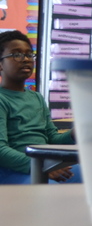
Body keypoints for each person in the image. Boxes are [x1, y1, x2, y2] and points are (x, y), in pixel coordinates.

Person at [0, 30, 78, 184]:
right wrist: (41, 166)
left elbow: (52, 140)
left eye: (29, 54)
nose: (26, 59)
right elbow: (1, 150)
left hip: (42, 165)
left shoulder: (36, 98)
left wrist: (75, 134)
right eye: (16, 55)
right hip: (13, 170)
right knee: (52, 191)